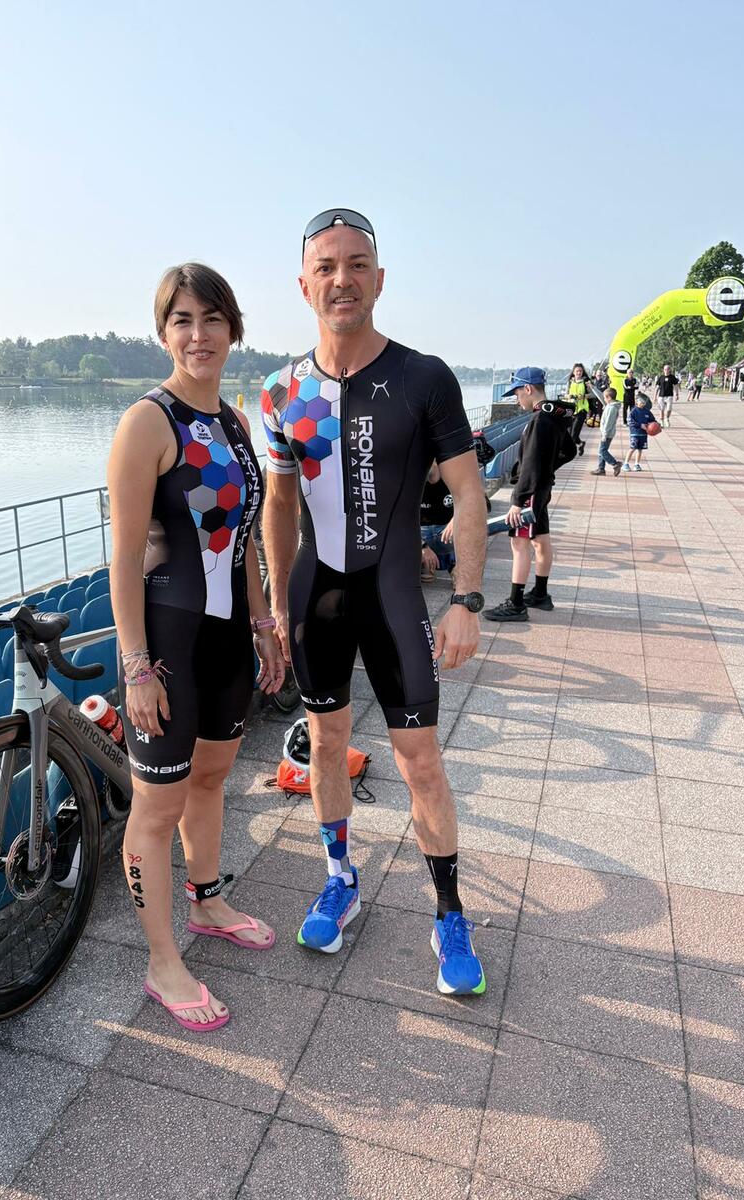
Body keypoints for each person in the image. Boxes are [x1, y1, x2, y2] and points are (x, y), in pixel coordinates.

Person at [261, 208, 489, 996]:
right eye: (325, 267)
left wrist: (465, 599)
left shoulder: (424, 377)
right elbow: (281, 506)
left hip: (395, 596)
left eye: (356, 264)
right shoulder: (280, 390)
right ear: (304, 285)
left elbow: (467, 492)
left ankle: (448, 915)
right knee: (324, 744)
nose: (341, 279)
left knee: (420, 759)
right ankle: (340, 878)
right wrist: (272, 603)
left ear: (379, 278)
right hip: (316, 595)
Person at [107, 263, 286, 1032]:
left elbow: (243, 543)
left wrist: (263, 623)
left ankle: (208, 901)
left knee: (213, 776)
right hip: (169, 639)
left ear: (233, 328)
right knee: (156, 807)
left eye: (212, 319)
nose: (199, 334)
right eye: (182, 320)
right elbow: (121, 559)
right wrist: (137, 667)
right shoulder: (149, 421)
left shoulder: (235, 424)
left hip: (226, 642)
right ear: (163, 334)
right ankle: (160, 960)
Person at [483, 368, 575, 621]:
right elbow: (569, 451)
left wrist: (517, 500)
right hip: (542, 489)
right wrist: (548, 471)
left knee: (519, 544)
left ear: (528, 389)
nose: (516, 400)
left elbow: (531, 464)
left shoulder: (538, 421)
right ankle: (540, 594)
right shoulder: (555, 417)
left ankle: (515, 603)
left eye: (517, 393)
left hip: (530, 492)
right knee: (541, 541)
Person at [420, 462, 455, 580]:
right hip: (420, 533)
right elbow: (399, 518)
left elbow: (483, 504)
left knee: (471, 525)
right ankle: (425, 563)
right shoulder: (411, 480)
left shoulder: (454, 475)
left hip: (447, 532)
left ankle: (458, 567)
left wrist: (458, 518)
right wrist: (422, 546)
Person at [589, 387, 623, 476]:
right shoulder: (609, 404)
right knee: (602, 450)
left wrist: (604, 434)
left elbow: (609, 423)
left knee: (602, 451)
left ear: (609, 398)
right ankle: (601, 469)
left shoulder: (612, 408)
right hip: (605, 432)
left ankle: (615, 464)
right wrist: (593, 387)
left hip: (607, 433)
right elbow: (600, 396)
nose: (603, 399)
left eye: (605, 398)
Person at [622, 392, 656, 472]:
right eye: (641, 402)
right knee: (632, 448)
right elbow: (630, 421)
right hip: (635, 433)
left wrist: (656, 425)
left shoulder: (647, 411)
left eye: (644, 402)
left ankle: (636, 464)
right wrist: (640, 425)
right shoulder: (633, 411)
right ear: (637, 401)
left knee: (640, 449)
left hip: (643, 434)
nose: (643, 404)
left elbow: (652, 420)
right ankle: (626, 464)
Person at [567, 363, 591, 453]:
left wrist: (583, 396)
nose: (579, 373)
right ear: (573, 372)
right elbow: (566, 394)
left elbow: (592, 395)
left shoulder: (586, 382)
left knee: (573, 435)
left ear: (582, 372)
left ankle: (568, 453)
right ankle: (581, 444)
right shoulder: (570, 381)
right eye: (577, 371)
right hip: (570, 410)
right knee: (570, 434)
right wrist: (569, 396)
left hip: (581, 410)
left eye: (580, 371)